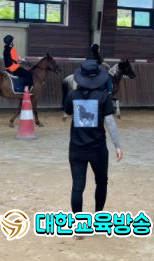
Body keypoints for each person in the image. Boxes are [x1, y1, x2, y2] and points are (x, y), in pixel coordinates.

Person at [64, 59, 123, 228]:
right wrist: (117, 145)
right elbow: (110, 123)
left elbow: (68, 113)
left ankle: (78, 226)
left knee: (77, 186)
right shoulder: (104, 97)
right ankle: (98, 219)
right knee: (101, 182)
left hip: (76, 148)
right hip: (98, 149)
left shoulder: (72, 95)